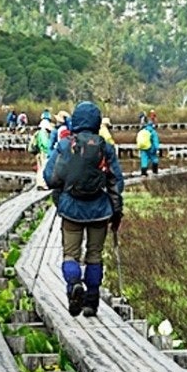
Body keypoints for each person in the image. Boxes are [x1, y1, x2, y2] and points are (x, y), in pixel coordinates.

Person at [43, 100, 124, 319]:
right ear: (97, 121)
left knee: (71, 254)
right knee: (94, 254)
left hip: (71, 209)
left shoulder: (65, 145)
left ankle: (74, 286)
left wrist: (61, 200)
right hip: (100, 210)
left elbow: (50, 178)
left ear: (75, 120)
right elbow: (116, 183)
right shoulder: (105, 147)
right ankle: (91, 302)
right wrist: (116, 211)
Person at [30, 119, 54, 189]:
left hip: (39, 152)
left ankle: (39, 183)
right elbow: (45, 144)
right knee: (43, 168)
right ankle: (43, 184)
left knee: (40, 168)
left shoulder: (38, 133)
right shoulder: (43, 133)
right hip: (43, 153)